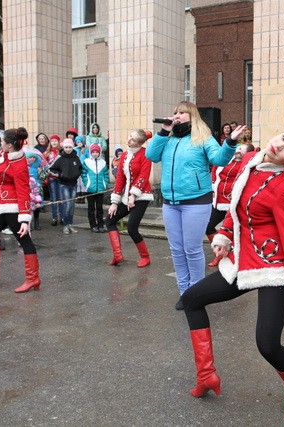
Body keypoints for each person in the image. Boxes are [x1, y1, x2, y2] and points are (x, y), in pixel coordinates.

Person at [180, 125, 284, 421]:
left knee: (267, 344)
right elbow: (236, 209)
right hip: (241, 261)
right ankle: (206, 375)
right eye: (283, 138)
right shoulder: (252, 161)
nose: (279, 146)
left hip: (274, 267)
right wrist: (223, 236)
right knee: (192, 300)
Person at [145, 101, 238, 310]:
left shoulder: (202, 137)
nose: (177, 115)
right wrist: (162, 131)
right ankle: (184, 292)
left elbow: (219, 159)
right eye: (175, 112)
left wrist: (230, 142)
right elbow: (150, 155)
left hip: (196, 202)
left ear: (192, 116)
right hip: (171, 202)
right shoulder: (167, 138)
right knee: (176, 249)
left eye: (182, 113)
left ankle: (196, 293)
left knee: (192, 249)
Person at [0, 127, 43, 293]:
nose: (0, 144)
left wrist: (25, 219)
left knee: (24, 241)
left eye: (2, 142)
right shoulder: (4, 155)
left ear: (10, 145)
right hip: (3, 206)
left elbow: (24, 190)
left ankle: (33, 279)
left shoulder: (19, 165)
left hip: (13, 208)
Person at [107, 130, 154, 267]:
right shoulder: (125, 155)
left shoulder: (146, 154)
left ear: (139, 143)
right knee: (110, 219)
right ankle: (117, 255)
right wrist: (114, 202)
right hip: (127, 196)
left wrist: (133, 195)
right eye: (129, 137)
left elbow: (144, 176)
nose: (129, 141)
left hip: (142, 195)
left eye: (133, 140)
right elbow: (120, 178)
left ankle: (145, 257)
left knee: (132, 228)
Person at [204, 143, 254, 267]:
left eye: (241, 149)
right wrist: (214, 184)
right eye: (237, 147)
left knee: (234, 231)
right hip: (218, 201)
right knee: (208, 226)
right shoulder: (226, 159)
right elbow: (215, 169)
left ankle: (232, 255)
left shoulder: (246, 166)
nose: (237, 150)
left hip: (234, 203)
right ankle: (219, 253)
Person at [48, 138, 83, 234]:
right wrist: (60, 175)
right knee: (66, 205)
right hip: (64, 185)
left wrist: (77, 174)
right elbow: (51, 169)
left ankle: (70, 224)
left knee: (72, 206)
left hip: (73, 184)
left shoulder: (76, 157)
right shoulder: (60, 157)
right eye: (66, 147)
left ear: (72, 148)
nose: (68, 149)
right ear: (63, 148)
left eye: (70, 147)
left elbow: (80, 168)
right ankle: (65, 225)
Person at [82, 143, 110, 233]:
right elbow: (84, 174)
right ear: (90, 152)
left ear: (99, 152)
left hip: (100, 189)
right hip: (90, 190)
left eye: (96, 152)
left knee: (99, 208)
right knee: (91, 208)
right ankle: (93, 225)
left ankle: (101, 225)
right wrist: (87, 184)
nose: (95, 153)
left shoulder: (103, 162)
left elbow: (106, 174)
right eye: (93, 152)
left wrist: (104, 183)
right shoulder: (87, 162)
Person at [24, 150, 45, 230]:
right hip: (28, 188)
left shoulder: (37, 167)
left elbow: (42, 176)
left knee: (37, 207)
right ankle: (29, 223)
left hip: (36, 188)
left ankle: (37, 223)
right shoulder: (24, 167)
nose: (32, 159)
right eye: (30, 157)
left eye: (33, 157)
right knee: (29, 207)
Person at [46, 134, 61, 226]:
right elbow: (44, 164)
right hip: (51, 178)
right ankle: (54, 217)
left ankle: (62, 216)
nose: (54, 142)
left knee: (61, 198)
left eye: (56, 140)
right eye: (52, 141)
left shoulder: (61, 152)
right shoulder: (47, 153)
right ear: (50, 143)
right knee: (54, 198)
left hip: (60, 177)